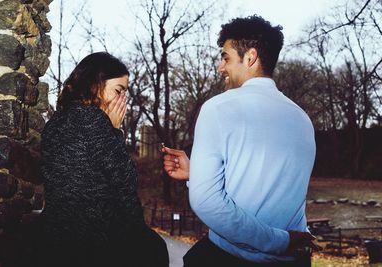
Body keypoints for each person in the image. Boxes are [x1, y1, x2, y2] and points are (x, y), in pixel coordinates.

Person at [163, 16, 319, 266]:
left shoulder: (218, 108)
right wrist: (197, 175)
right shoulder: (303, 120)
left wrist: (279, 241)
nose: (220, 68)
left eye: (225, 57)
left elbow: (207, 203)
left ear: (250, 57)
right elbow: (263, 186)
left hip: (233, 259)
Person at [39, 52, 169, 267]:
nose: (122, 100)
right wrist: (113, 131)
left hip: (57, 235)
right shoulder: (94, 119)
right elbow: (125, 181)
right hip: (93, 242)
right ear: (95, 83)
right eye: (118, 91)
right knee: (154, 248)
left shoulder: (56, 121)